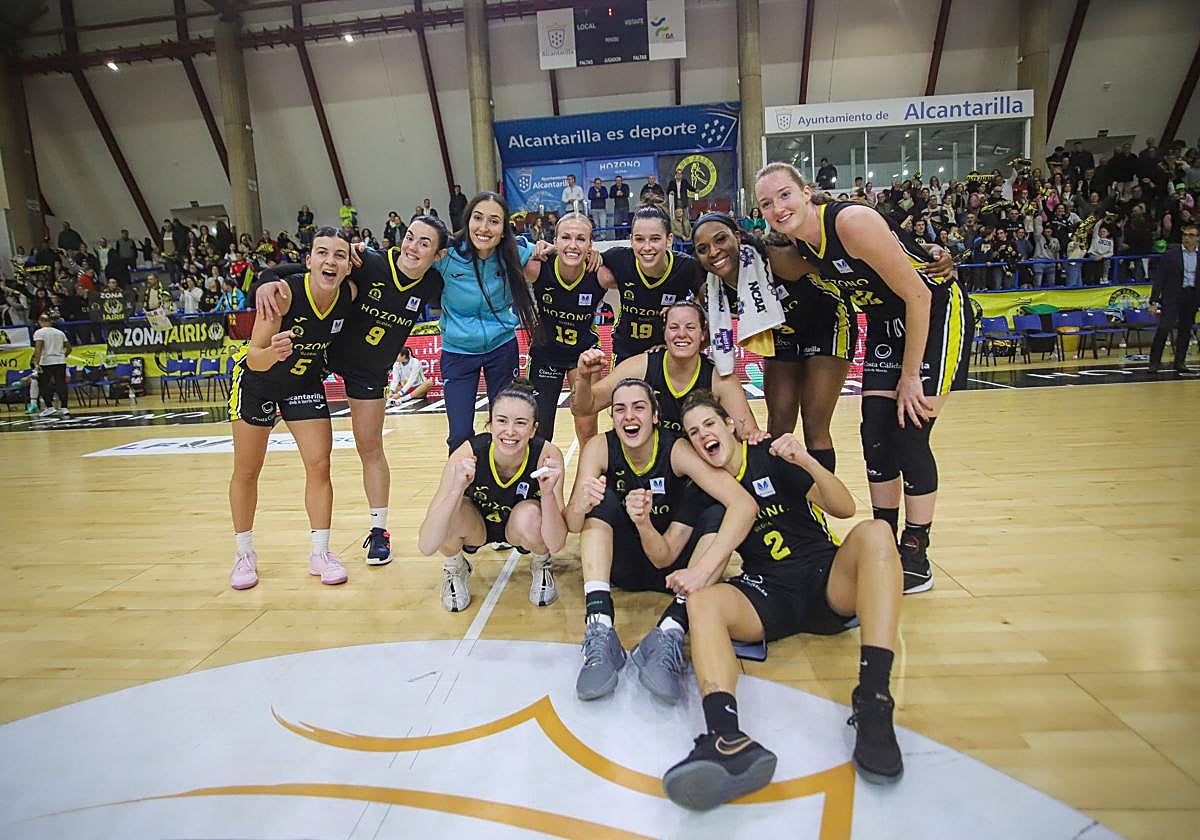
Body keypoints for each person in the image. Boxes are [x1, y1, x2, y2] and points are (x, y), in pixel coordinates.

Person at [661, 394, 903, 809]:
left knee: (877, 533)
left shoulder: (769, 455)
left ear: (731, 426)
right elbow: (669, 552)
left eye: (709, 425)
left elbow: (844, 508)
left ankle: (874, 700)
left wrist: (805, 459)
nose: (703, 436)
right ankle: (726, 736)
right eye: (693, 432)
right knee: (703, 603)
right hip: (767, 591)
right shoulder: (703, 489)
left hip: (824, 580)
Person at [755, 162, 968, 594]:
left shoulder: (849, 222)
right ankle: (883, 538)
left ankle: (916, 548)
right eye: (766, 203)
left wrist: (910, 375)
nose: (777, 208)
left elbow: (919, 293)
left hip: (932, 314)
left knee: (909, 433)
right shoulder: (802, 248)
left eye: (784, 195)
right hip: (888, 322)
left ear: (807, 191)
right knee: (874, 433)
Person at [256, 216, 449, 564]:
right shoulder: (369, 262)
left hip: (368, 373)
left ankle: (379, 532)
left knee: (370, 447)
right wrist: (267, 279)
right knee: (288, 444)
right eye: (409, 237)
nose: (412, 247)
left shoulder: (433, 283)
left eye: (424, 243)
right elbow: (307, 268)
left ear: (437, 254)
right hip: (321, 356)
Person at [565, 378, 757, 702]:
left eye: (638, 408)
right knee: (600, 502)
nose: (629, 417)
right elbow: (571, 522)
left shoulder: (676, 449)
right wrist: (581, 504)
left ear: (654, 416)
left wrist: (647, 525)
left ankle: (671, 630)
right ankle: (599, 626)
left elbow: (741, 502)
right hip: (622, 564)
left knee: (719, 512)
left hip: (677, 568)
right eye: (620, 409)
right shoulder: (600, 447)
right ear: (612, 418)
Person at [226, 228, 355, 591]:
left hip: (302, 382)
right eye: (322, 253)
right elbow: (254, 357)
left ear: (348, 265)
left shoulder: (349, 294)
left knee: (320, 464)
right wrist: (275, 353)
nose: (330, 261)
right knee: (248, 470)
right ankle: (244, 553)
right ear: (309, 260)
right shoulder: (283, 296)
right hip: (258, 382)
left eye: (339, 255)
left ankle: (321, 552)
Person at [690, 215, 854, 471]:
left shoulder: (775, 260)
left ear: (738, 236)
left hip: (827, 324)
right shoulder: (710, 291)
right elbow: (706, 337)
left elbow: (833, 265)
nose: (714, 251)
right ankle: (784, 503)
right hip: (784, 335)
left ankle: (822, 502)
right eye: (703, 249)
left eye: (720, 239)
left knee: (814, 425)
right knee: (778, 426)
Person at [418, 379, 567, 611]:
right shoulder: (467, 454)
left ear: (533, 429)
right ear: (490, 424)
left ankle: (540, 564)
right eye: (501, 421)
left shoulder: (547, 455)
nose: (509, 431)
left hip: (520, 526)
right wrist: (457, 490)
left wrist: (547, 495)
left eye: (520, 423)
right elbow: (427, 544)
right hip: (476, 526)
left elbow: (557, 543)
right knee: (448, 512)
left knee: (533, 516)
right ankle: (455, 566)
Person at [434, 191, 548, 453]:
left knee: (507, 428)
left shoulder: (514, 252)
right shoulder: (446, 255)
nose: (484, 228)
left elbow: (544, 250)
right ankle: (464, 490)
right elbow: (408, 257)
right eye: (478, 218)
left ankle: (504, 487)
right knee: (460, 434)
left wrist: (546, 246)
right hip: (458, 353)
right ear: (467, 220)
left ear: (503, 227)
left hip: (501, 349)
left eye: (494, 221)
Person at [571, 299, 763, 441]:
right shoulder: (640, 367)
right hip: (652, 470)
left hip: (701, 466)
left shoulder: (721, 380)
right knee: (599, 447)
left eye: (690, 327)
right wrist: (584, 377)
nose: (681, 334)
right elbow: (583, 407)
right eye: (674, 327)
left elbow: (748, 435)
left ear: (702, 333)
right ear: (664, 332)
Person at [524, 212, 608, 446]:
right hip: (546, 354)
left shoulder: (599, 273)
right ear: (555, 241)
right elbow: (504, 256)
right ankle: (537, 482)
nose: (573, 245)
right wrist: (535, 247)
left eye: (581, 239)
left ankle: (588, 481)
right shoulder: (538, 267)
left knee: (587, 430)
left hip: (583, 355)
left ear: (591, 245)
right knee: (539, 430)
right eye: (566, 238)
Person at [598, 204, 705, 363]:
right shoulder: (618, 258)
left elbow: (706, 299)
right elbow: (580, 258)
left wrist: (684, 307)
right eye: (639, 239)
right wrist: (552, 249)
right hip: (626, 353)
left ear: (669, 239)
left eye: (655, 239)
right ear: (631, 240)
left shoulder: (686, 267)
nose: (647, 247)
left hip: (669, 353)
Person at [1149, 221, 1198, 373]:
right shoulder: (1171, 255)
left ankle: (1180, 362)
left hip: (1191, 296)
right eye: (1185, 235)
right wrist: (1154, 301)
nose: (1187, 238)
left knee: (1185, 330)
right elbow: (1159, 278)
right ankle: (1154, 363)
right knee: (1164, 328)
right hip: (1173, 296)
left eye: (1191, 235)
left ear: (1198, 238)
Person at [32, 313, 71, 418]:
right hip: (60, 361)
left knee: (44, 385)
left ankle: (49, 407)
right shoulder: (59, 332)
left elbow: (38, 349)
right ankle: (64, 408)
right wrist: (63, 355)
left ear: (41, 322)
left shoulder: (39, 332)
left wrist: (36, 363)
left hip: (46, 362)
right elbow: (69, 348)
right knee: (61, 384)